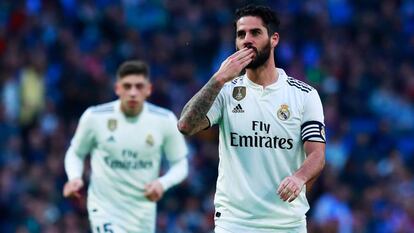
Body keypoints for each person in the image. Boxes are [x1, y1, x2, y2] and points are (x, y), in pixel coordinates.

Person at [178, 5, 326, 233]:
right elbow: (186, 125)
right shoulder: (225, 92)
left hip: (286, 224)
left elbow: (317, 154)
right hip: (234, 223)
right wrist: (218, 79)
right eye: (241, 34)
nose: (247, 40)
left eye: (255, 33)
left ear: (274, 39)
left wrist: (299, 178)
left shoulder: (304, 95)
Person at [63, 60, 189, 233]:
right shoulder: (94, 117)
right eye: (127, 86)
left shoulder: (164, 120)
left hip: (143, 213)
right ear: (117, 89)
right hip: (104, 208)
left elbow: (180, 164)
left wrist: (162, 183)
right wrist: (74, 177)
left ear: (148, 89)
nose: (132, 93)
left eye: (139, 86)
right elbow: (75, 153)